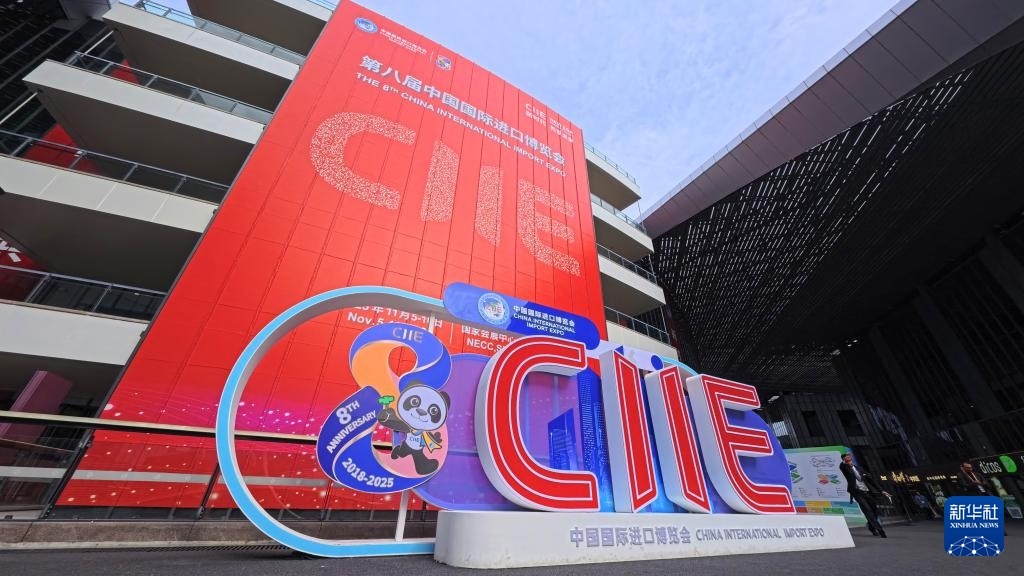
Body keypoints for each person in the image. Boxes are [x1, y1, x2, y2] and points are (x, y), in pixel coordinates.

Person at [839, 453, 890, 537]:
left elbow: (871, 481)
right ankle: (881, 530)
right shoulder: (845, 469)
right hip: (858, 494)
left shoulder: (860, 469)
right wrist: (844, 462)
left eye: (849, 459)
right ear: (844, 461)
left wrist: (882, 491)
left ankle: (871, 527)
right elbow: (842, 466)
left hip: (867, 492)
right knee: (868, 511)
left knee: (874, 511)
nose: (849, 461)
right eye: (846, 460)